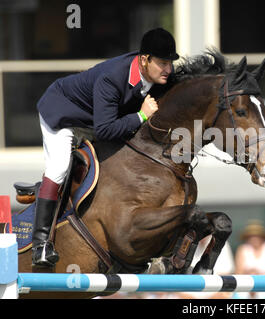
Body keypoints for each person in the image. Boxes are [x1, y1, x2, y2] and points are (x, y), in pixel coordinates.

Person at [31, 27, 179, 267]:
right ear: (144, 60)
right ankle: (41, 244)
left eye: (170, 63)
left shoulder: (157, 75)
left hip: (96, 118)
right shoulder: (113, 77)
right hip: (63, 113)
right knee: (58, 168)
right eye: (163, 63)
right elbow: (105, 131)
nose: (168, 70)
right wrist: (141, 116)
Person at [234, 219, 265, 299]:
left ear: (262, 236)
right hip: (246, 288)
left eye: (257, 235)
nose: (254, 238)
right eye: (251, 236)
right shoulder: (243, 249)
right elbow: (238, 273)